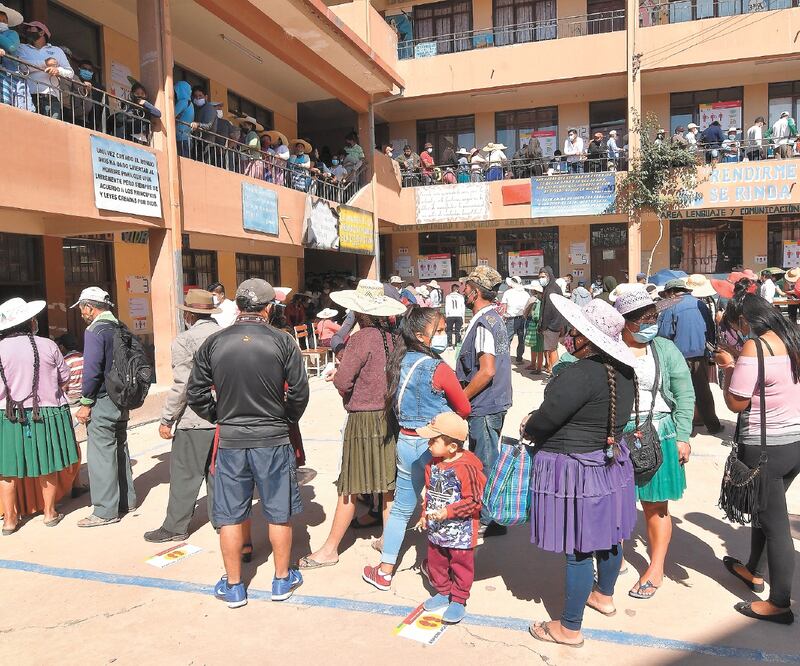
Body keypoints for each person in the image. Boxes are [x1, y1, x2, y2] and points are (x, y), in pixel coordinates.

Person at [187, 279, 309, 607]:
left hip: (230, 440)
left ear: (238, 305)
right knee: (278, 511)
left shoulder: (214, 342)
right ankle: (282, 580)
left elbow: (195, 392)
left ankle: (235, 586)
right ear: (269, 308)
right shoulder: (282, 342)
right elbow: (300, 392)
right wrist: (283, 418)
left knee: (229, 514)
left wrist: (219, 414)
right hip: (272, 438)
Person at [523, 297, 636, 648]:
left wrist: (530, 424)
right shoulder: (624, 371)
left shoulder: (579, 374)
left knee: (579, 549)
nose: (569, 336)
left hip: (576, 470)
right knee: (609, 535)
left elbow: (548, 418)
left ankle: (568, 628)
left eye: (574, 332)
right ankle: (604, 595)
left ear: (588, 339)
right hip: (609, 464)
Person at [361, 306, 471, 589]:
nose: (444, 334)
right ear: (423, 335)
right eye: (441, 330)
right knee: (445, 508)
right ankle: (442, 573)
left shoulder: (398, 361)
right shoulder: (438, 368)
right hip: (439, 445)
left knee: (402, 508)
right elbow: (463, 407)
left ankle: (385, 571)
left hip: (407, 441)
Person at [300, 280, 404, 571]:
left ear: (359, 311)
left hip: (362, 419)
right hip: (388, 417)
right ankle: (389, 543)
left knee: (349, 486)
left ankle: (330, 549)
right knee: (388, 485)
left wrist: (339, 380)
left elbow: (345, 381)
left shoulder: (361, 339)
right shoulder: (393, 339)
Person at [714, 293, 800, 625]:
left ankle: (780, 602)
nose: (736, 333)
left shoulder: (755, 348)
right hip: (794, 443)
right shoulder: (791, 337)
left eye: (735, 326)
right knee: (768, 510)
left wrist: (728, 368)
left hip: (766, 448)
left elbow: (736, 403)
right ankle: (753, 570)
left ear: (744, 322)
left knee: (776, 526)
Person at [614, 289, 695, 600]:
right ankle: (614, 559)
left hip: (659, 432)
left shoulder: (664, 349)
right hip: (618, 436)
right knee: (616, 504)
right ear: (624, 322)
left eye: (653, 318)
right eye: (643, 319)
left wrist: (684, 436)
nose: (650, 324)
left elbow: (685, 394)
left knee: (656, 506)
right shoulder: (608, 347)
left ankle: (656, 568)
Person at [144, 290, 221, 543]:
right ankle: (223, 521)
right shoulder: (225, 336)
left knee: (185, 473)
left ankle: (176, 526)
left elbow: (183, 385)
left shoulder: (185, 340)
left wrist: (167, 419)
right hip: (226, 415)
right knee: (218, 472)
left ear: (188, 314)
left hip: (195, 417)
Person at [0, 298, 79, 534]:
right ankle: (49, 513)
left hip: (8, 415)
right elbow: (64, 378)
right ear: (29, 322)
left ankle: (10, 520)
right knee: (48, 462)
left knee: (7, 468)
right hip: (47, 413)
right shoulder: (48, 345)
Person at [72, 287, 138, 527]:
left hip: (102, 399)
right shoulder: (120, 327)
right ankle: (127, 500)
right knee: (120, 447)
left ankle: (104, 511)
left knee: (101, 454)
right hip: (122, 398)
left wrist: (85, 402)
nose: (81, 314)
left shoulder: (95, 330)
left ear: (90, 307)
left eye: (81, 308)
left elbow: (92, 370)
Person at [456, 266, 512, 537]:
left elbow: (487, 370)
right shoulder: (492, 318)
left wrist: (460, 400)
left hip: (485, 405)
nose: (463, 291)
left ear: (476, 291)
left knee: (484, 462)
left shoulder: (484, 323)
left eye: (466, 287)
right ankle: (492, 516)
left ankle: (491, 520)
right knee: (487, 458)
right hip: (492, 403)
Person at [414, 412, 485, 624]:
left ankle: (459, 599)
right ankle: (443, 591)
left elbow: (474, 501)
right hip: (436, 529)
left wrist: (449, 512)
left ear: (452, 446)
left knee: (460, 565)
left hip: (460, 532)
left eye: (433, 440)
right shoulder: (432, 465)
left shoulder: (466, 468)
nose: (428, 445)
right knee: (437, 561)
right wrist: (423, 515)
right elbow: (430, 493)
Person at [657, 278, 722, 434]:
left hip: (679, 355)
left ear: (670, 293)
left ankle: (686, 429)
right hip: (701, 354)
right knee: (703, 390)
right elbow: (711, 329)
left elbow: (665, 334)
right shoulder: (701, 304)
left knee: (681, 393)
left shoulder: (669, 306)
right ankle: (713, 426)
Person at [16, 21, 73, 119]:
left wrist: (58, 71)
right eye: (27, 29)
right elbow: (22, 66)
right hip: (28, 96)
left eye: (31, 28)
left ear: (41, 33)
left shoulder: (57, 50)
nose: (27, 31)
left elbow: (70, 72)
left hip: (51, 98)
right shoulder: (22, 48)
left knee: (52, 131)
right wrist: (45, 63)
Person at [0, 3, 33, 111]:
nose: (2, 22)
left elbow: (11, 46)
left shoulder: (12, 33)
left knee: (7, 105)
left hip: (9, 73)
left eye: (4, 20)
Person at [538, 266, 567, 376]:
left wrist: (543, 326)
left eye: (543, 276)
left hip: (551, 325)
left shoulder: (550, 290)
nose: (541, 279)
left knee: (552, 349)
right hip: (556, 324)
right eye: (539, 277)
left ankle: (556, 373)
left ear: (549, 276)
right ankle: (553, 371)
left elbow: (548, 312)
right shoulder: (555, 287)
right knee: (552, 349)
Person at [69, 58, 106, 131]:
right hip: (74, 118)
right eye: (84, 69)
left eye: (90, 70)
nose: (87, 71)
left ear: (92, 72)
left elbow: (104, 109)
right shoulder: (74, 81)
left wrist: (102, 127)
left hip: (93, 122)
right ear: (79, 68)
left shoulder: (99, 88)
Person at [501, 276, 529, 363]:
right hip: (523, 318)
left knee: (508, 339)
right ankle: (519, 358)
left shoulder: (508, 293)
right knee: (521, 339)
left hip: (511, 319)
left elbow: (504, 307)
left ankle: (505, 358)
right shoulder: (526, 293)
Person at [189, 84, 218, 164]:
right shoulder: (196, 108)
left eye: (200, 96)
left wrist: (197, 124)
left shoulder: (209, 108)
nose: (198, 98)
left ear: (206, 97)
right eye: (195, 96)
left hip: (207, 144)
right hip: (197, 143)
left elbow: (208, 125)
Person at [524, 281, 544, 373]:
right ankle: (544, 365)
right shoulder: (545, 299)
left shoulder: (533, 300)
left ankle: (536, 367)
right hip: (543, 325)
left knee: (535, 346)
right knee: (541, 348)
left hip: (535, 325)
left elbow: (526, 312)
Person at [174, 80, 194, 157]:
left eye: (176, 90)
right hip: (187, 138)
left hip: (181, 138)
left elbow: (171, 115)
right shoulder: (190, 103)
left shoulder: (183, 102)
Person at [445, 283, 465, 349]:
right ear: (457, 289)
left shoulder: (448, 296)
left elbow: (446, 307)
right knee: (457, 330)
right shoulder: (460, 296)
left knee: (449, 330)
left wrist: (447, 315)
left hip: (450, 315)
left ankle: (449, 344)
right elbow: (463, 307)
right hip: (459, 315)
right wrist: (463, 317)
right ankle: (457, 344)